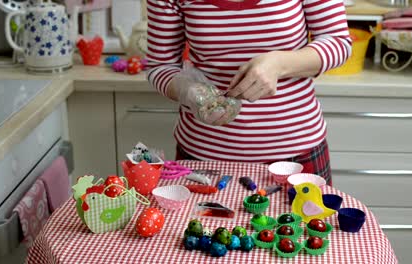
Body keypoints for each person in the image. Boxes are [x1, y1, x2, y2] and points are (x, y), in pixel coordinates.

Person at [146, 0, 353, 185]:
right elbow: (159, 66)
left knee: (306, 228)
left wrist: (280, 64)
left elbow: (338, 43)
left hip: (295, 154)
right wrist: (187, 90)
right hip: (203, 155)